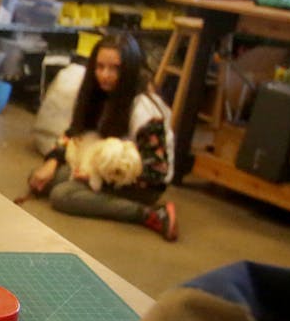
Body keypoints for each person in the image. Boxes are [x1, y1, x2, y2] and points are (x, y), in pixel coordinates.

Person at [27, 33, 179, 240]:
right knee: (41, 179)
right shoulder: (96, 94)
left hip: (138, 183)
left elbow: (156, 174)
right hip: (97, 166)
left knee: (62, 196)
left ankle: (149, 214)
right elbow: (75, 134)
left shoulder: (144, 111)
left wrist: (96, 179)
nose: (105, 75)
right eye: (100, 67)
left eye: (115, 68)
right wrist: (52, 162)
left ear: (129, 69)